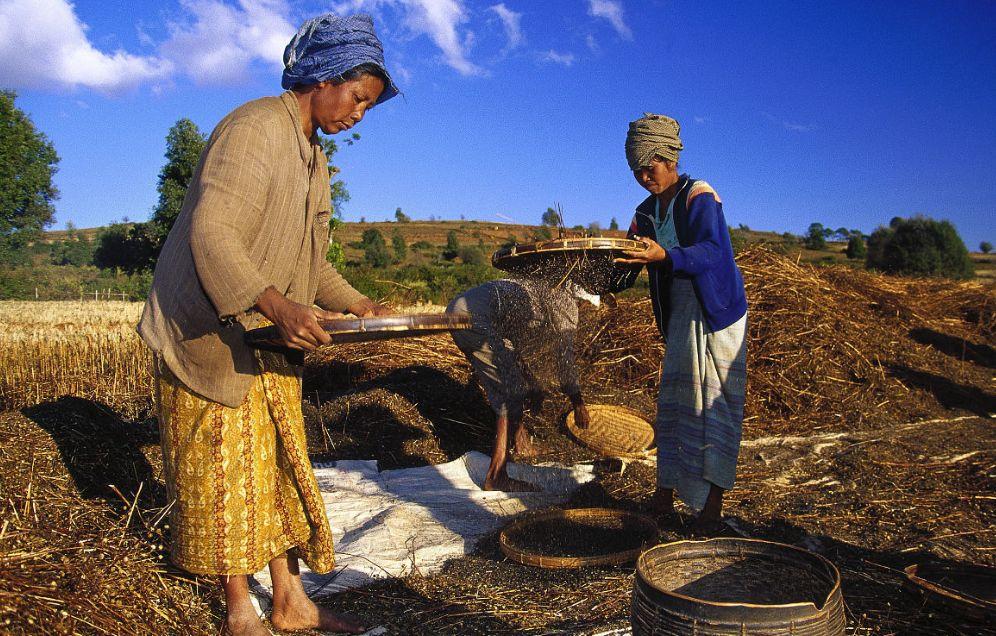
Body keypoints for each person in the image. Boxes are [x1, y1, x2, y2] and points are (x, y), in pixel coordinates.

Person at [137, 14, 398, 636]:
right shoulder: (253, 129)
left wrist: (361, 305)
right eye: (358, 98)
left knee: (278, 469)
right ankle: (239, 612)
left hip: (261, 334)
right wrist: (278, 306)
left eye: (370, 106)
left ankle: (291, 602)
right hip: (207, 332)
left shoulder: (312, 156)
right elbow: (213, 232)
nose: (360, 113)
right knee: (228, 476)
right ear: (324, 78)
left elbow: (312, 260)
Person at [612, 113, 748, 531]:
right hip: (678, 315)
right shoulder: (644, 212)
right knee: (674, 404)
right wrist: (582, 270)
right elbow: (624, 267)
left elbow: (713, 251)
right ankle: (664, 497)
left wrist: (667, 257)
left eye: (648, 167)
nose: (642, 176)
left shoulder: (698, 196)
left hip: (716, 311)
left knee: (715, 406)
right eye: (635, 169)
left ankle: (711, 510)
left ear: (668, 157)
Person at [447, 278, 592, 491]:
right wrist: (577, 402)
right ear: (583, 299)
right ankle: (497, 476)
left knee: (513, 382)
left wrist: (532, 381)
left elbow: (511, 346)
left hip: (458, 310)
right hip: (474, 318)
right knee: (510, 392)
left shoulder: (537, 290)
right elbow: (565, 360)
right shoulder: (565, 303)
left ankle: (520, 442)